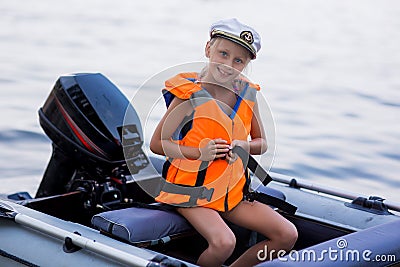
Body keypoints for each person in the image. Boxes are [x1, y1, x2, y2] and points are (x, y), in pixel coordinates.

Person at [150, 18, 297, 267]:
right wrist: (199, 152)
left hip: (230, 194)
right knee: (223, 242)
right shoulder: (189, 94)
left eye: (238, 60)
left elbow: (262, 144)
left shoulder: (248, 94)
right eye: (223, 54)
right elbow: (157, 143)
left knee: (287, 234)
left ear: (247, 63)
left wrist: (244, 145)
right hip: (189, 192)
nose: (228, 65)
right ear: (208, 49)